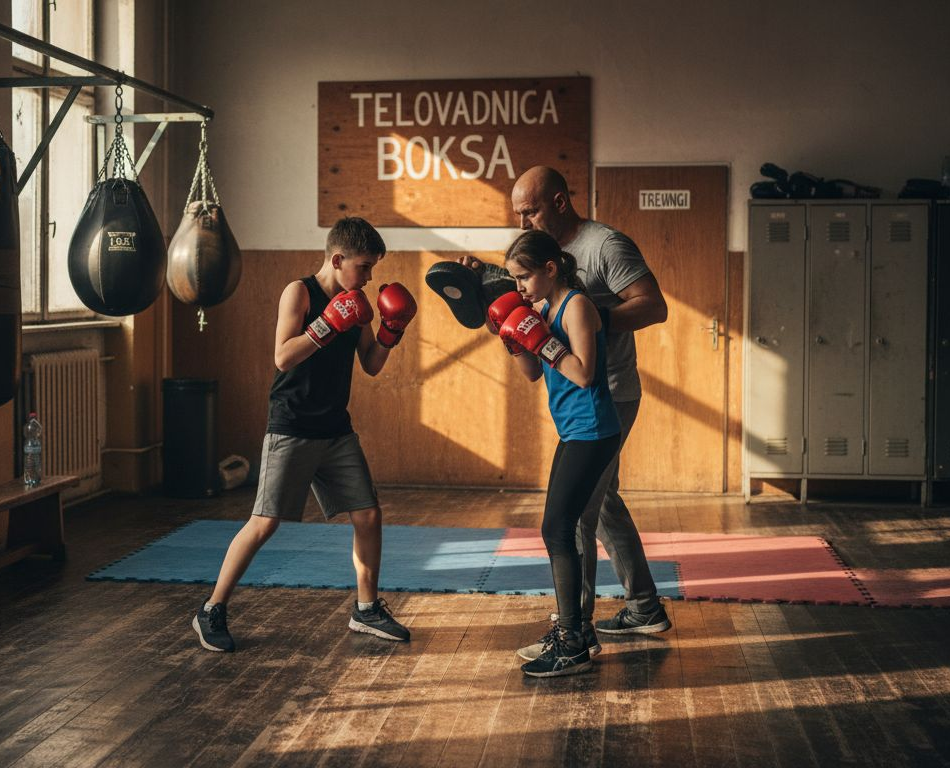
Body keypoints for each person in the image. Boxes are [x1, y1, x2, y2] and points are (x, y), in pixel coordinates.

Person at [458, 166, 671, 658]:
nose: (524, 222)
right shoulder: (544, 268)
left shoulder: (605, 246)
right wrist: (493, 293)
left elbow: (653, 306)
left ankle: (573, 629)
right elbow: (528, 310)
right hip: (573, 400)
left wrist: (583, 322)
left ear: (558, 202)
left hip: (609, 391)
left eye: (530, 211)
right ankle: (643, 606)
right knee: (601, 501)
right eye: (517, 214)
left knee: (576, 515)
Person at [193, 217, 417, 652]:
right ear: (338, 259)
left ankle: (367, 608)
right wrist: (328, 323)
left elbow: (370, 364)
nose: (369, 277)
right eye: (364, 267)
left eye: (372, 269)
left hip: (335, 427)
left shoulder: (359, 305)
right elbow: (283, 356)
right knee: (264, 523)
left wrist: (393, 330)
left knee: (368, 514)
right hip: (292, 425)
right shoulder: (299, 292)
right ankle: (212, 609)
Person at [489, 230, 620, 677]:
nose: (519, 287)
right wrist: (511, 338)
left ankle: (571, 642)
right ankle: (577, 634)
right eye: (514, 280)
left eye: (524, 277)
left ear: (550, 269)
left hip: (594, 429)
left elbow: (583, 374)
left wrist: (540, 337)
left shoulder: (577, 306)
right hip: (574, 431)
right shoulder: (541, 310)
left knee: (556, 528)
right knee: (559, 528)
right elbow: (531, 373)